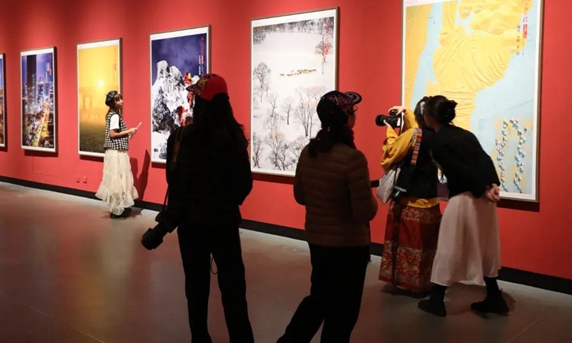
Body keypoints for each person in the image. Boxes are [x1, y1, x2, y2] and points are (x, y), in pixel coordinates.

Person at [278, 91, 378, 343]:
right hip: (349, 247)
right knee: (343, 313)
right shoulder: (353, 158)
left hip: (318, 242)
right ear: (347, 118)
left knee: (319, 299)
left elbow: (300, 196)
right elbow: (364, 212)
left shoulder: (309, 152)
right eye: (352, 111)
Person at [164, 73, 254, 343]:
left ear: (200, 103)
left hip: (190, 226)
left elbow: (172, 180)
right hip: (224, 224)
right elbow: (244, 185)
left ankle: (200, 339)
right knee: (234, 292)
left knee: (196, 290)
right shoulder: (234, 138)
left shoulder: (181, 138)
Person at [417, 95, 509, 317]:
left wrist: (482, 187)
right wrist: (491, 184)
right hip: (483, 199)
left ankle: (437, 300)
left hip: (464, 198)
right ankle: (495, 297)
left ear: (429, 117)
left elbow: (459, 170)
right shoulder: (465, 134)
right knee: (485, 247)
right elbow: (484, 160)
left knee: (448, 246)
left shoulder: (438, 142)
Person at [378, 98, 442, 295]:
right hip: (431, 202)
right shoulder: (439, 135)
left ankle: (406, 282)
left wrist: (390, 130)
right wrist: (406, 112)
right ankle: (426, 282)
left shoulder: (414, 135)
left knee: (405, 245)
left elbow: (390, 153)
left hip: (409, 201)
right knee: (428, 246)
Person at [95, 91, 139, 219]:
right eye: (118, 100)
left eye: (121, 99)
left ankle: (118, 207)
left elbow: (116, 134)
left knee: (117, 180)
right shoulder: (114, 116)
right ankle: (116, 209)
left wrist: (127, 134)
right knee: (118, 180)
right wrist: (129, 131)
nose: (121, 102)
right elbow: (113, 134)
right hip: (116, 153)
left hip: (114, 151)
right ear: (113, 103)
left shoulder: (112, 114)